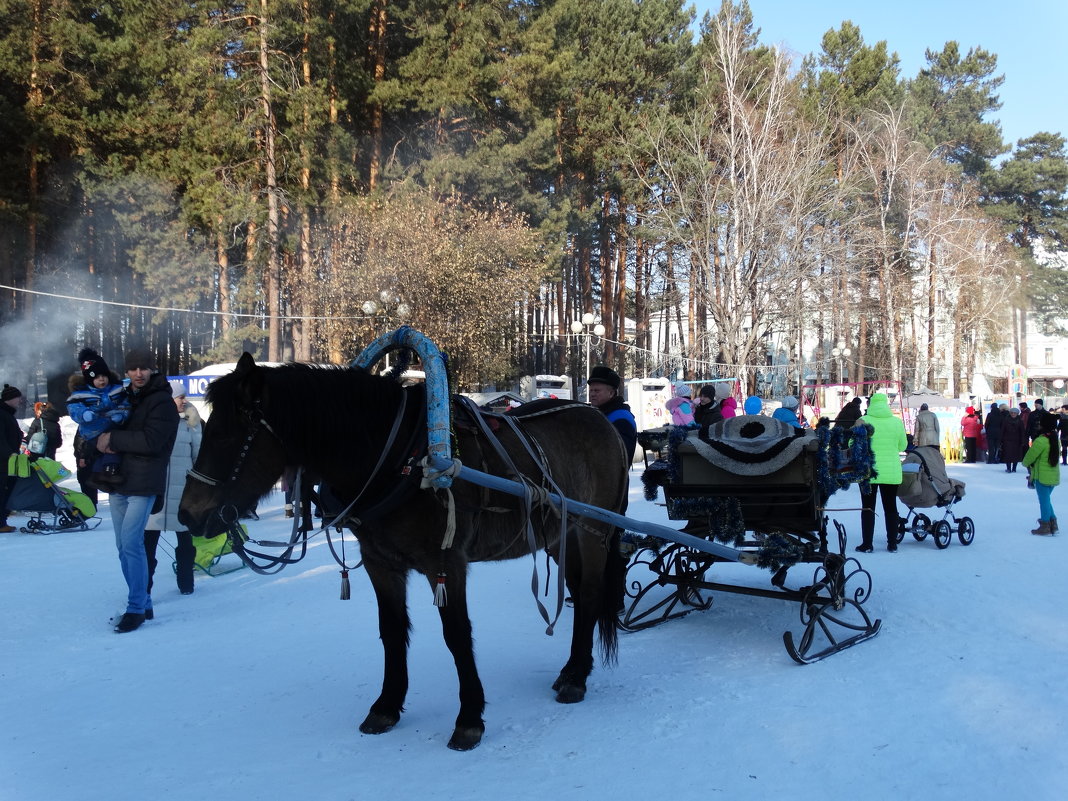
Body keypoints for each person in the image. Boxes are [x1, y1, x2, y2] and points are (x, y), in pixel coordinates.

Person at [98, 347, 179, 633]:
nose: (137, 373)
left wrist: (113, 438)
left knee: (132, 544)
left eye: (143, 368)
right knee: (123, 547)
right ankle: (143, 602)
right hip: (118, 481)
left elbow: (151, 442)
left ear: (152, 369)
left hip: (143, 483)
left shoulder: (162, 402)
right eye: (132, 369)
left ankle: (135, 609)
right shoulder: (125, 397)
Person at [143, 380, 201, 596]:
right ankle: (144, 587)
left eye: (184, 396)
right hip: (155, 490)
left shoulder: (192, 422)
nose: (184, 400)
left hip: (183, 491)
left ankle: (186, 583)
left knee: (185, 542)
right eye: (180, 396)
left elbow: (198, 455)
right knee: (148, 544)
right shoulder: (151, 421)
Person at [66, 348, 130, 488]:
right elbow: (74, 409)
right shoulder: (81, 394)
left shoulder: (117, 389)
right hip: (92, 431)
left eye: (104, 376)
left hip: (112, 426)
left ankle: (98, 474)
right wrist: (84, 414)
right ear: (89, 379)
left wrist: (122, 415)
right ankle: (109, 472)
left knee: (109, 447)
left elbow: (126, 404)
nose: (101, 380)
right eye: (96, 377)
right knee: (110, 447)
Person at [855, 392, 908, 554]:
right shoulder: (896, 422)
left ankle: (867, 544)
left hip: (868, 471)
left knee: (868, 507)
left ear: (870, 405)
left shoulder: (863, 421)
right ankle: (892, 543)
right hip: (891, 472)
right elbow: (902, 446)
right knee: (891, 507)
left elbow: (852, 443)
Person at [586, 365, 636, 463]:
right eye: (591, 390)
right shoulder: (601, 414)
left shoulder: (621, 418)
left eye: (597, 390)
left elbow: (619, 457)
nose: (592, 394)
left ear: (611, 393)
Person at [1022, 414, 1060, 535]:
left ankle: (1045, 526)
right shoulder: (1056, 440)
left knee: (1044, 502)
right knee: (1047, 500)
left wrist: (1026, 463)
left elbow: (1029, 457)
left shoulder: (1041, 441)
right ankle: (1053, 524)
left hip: (1041, 477)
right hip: (1053, 476)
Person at [0, 384, 25, 533]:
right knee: (2, 491)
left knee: (7, 489)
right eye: (18, 398)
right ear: (10, 398)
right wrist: (9, 453)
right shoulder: (2, 414)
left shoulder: (7, 413)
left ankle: (3, 520)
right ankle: (1, 522)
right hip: (3, 462)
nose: (20, 401)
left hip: (8, 461)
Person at [1000, 406, 1027, 473]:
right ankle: (1008, 468)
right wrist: (1001, 439)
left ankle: (1014, 468)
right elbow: (1002, 430)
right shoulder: (1006, 420)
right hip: (1007, 440)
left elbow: (1022, 431)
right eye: (1012, 413)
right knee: (1007, 454)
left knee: (1016, 455)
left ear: (1017, 414)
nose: (1013, 414)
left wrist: (1023, 440)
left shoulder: (1020, 421)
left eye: (1014, 413)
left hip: (1017, 440)